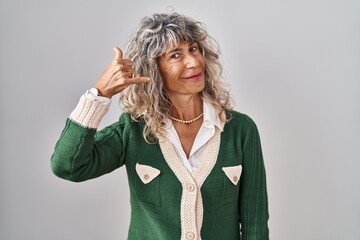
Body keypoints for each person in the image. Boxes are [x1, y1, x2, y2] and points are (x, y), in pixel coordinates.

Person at [51, 12, 269, 240]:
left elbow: (255, 224)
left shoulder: (241, 130)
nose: (193, 62)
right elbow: (67, 166)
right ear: (153, 70)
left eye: (193, 49)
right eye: (176, 55)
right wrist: (100, 94)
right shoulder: (133, 130)